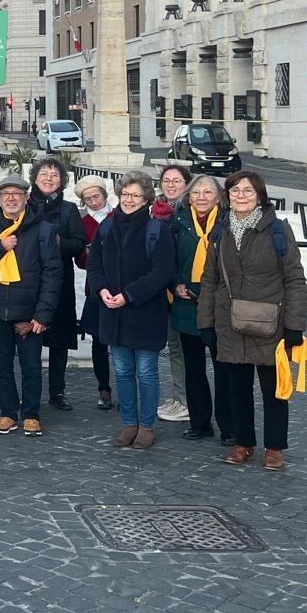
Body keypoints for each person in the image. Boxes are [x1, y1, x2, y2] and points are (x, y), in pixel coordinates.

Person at [196, 170, 307, 470]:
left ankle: (274, 447)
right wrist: (205, 322)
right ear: (227, 196)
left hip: (270, 323)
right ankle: (243, 443)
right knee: (237, 389)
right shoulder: (220, 231)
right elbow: (210, 280)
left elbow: (294, 279)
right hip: (230, 322)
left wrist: (295, 325)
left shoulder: (277, 230)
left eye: (247, 190)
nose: (241, 196)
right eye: (234, 190)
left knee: (274, 389)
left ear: (259, 196)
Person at [88, 171, 178, 450]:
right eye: (125, 194)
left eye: (135, 195)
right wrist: (101, 289)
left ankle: (146, 426)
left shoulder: (157, 230)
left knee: (147, 372)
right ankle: (129, 423)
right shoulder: (107, 227)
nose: (129, 200)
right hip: (113, 313)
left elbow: (161, 272)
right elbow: (95, 264)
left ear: (146, 198)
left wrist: (128, 295)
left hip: (145, 314)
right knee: (123, 371)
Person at [0, 174, 62, 438]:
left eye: (16, 194)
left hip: (29, 313)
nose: (11, 198)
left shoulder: (43, 229)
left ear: (26, 197)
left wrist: (43, 314)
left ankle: (31, 414)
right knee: (1, 366)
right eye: (6, 194)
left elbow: (52, 274)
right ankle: (8, 412)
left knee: (31, 366)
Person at [169, 174, 233, 443]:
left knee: (224, 369)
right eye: (196, 193)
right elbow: (168, 259)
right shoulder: (179, 222)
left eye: (207, 192)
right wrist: (176, 284)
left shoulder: (228, 223)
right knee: (193, 369)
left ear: (218, 197)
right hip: (187, 305)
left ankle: (229, 427)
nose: (201, 197)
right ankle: (200, 422)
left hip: (219, 306)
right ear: (189, 197)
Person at [27, 158, 86, 413]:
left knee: (59, 339)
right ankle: (30, 391)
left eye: (54, 175)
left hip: (60, 280)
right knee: (29, 338)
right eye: (44, 173)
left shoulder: (69, 209)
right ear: (35, 178)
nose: (49, 179)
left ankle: (57, 390)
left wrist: (59, 243)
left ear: (61, 181)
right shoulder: (25, 205)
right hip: (30, 281)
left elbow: (79, 244)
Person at [152, 163, 193, 422]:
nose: (171, 185)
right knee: (175, 347)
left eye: (177, 180)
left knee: (184, 349)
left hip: (183, 289)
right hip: (164, 290)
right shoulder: (157, 211)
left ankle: (187, 401)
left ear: (186, 184)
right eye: (166, 180)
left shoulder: (188, 212)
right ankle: (180, 397)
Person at [73, 174, 114, 409]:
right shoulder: (83, 223)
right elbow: (79, 260)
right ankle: (103, 388)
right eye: (88, 199)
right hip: (96, 288)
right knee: (99, 341)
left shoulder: (118, 216)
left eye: (96, 196)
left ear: (104, 195)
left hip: (120, 286)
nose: (93, 202)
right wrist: (87, 255)